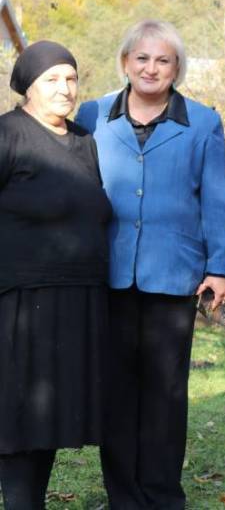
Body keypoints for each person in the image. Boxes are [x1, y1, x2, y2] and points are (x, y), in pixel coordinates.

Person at [76, 19, 225, 509]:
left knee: (166, 393)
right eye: (142, 58)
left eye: (162, 60)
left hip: (174, 276)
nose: (151, 68)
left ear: (176, 68)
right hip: (109, 274)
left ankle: (163, 495)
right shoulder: (92, 115)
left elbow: (215, 199)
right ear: (125, 62)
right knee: (116, 392)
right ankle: (123, 496)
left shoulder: (203, 122)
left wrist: (221, 266)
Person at [0, 41, 111, 509]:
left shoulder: (85, 140)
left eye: (71, 78)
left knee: (46, 417)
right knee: (18, 414)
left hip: (78, 301)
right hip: (20, 302)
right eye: (52, 80)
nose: (65, 89)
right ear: (28, 87)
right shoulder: (8, 134)